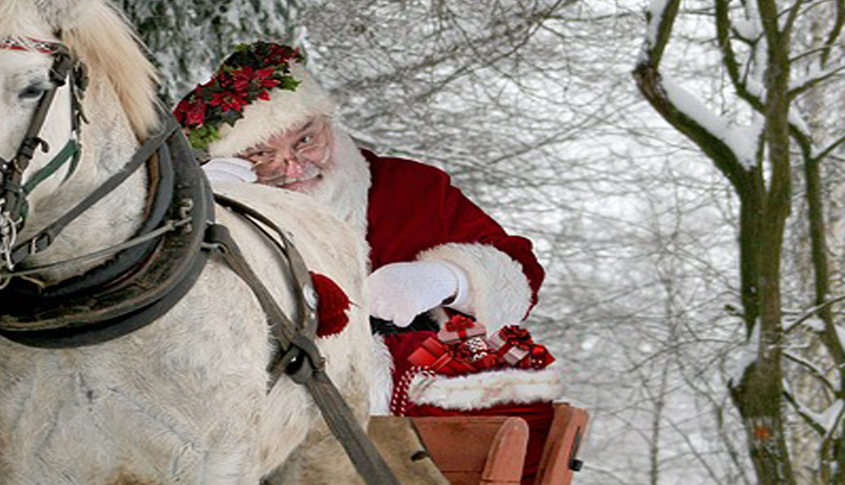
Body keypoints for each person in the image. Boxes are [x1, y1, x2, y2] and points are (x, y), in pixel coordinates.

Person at [176, 42, 561, 482]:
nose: (294, 167)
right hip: (253, 424)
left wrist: (446, 278)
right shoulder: (211, 205)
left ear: (328, 122)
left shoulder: (409, 188)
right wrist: (207, 211)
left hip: (408, 425)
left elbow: (519, 270)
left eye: (305, 140)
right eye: (261, 155)